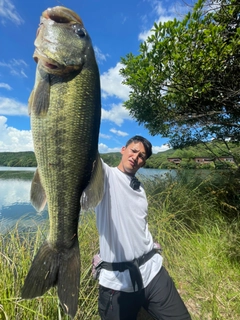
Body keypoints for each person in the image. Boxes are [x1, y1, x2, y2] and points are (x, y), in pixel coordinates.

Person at [93, 135, 191, 320]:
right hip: (117, 281)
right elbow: (87, 153)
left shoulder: (140, 189)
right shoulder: (105, 176)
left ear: (143, 163)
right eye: (134, 151)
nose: (136, 157)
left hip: (153, 272)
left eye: (142, 156)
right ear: (123, 149)